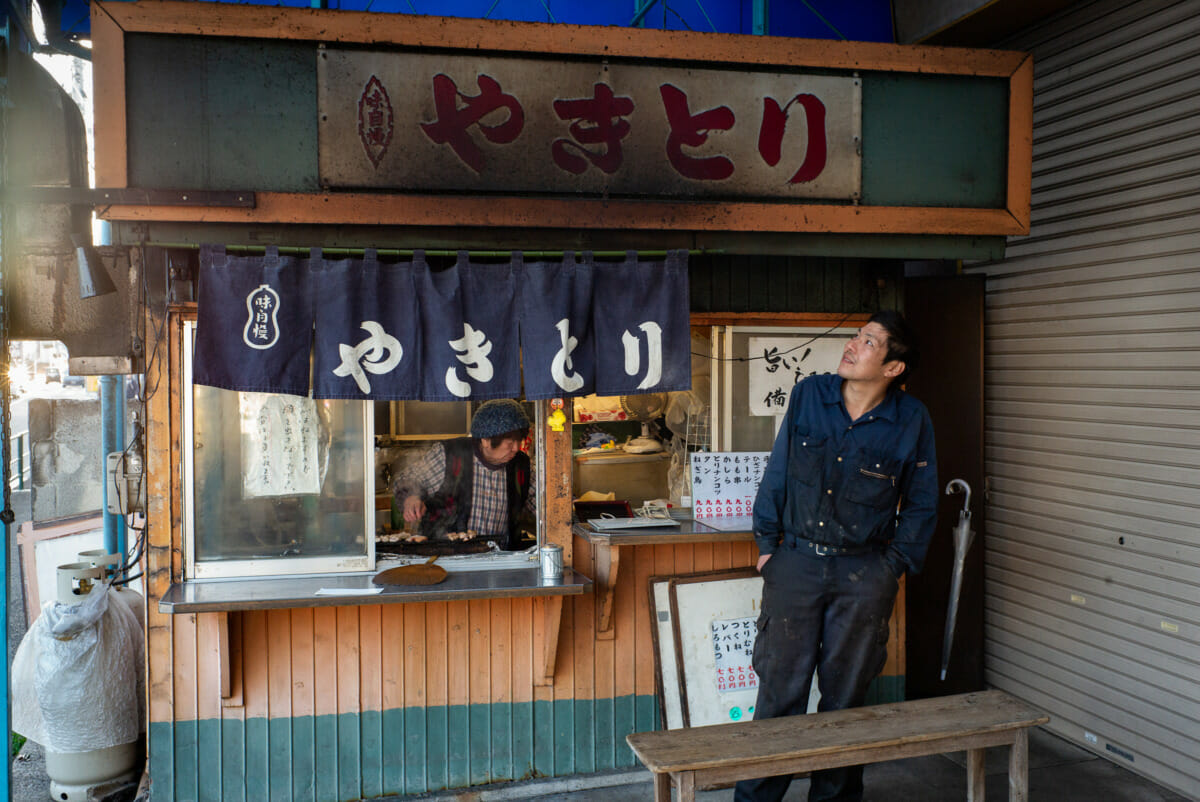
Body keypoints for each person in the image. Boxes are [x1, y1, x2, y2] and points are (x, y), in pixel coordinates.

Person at [735, 310, 938, 802]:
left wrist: (892, 568)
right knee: (779, 695)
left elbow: (922, 502)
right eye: (857, 336)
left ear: (893, 367)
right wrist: (768, 550)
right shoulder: (810, 394)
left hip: (864, 573)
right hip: (796, 565)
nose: (852, 345)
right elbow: (777, 471)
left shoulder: (911, 420)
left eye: (868, 341)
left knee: (845, 702)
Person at [392, 399, 534, 549]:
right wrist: (411, 497)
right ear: (486, 440)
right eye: (510, 443)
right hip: (444, 555)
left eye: (519, 441)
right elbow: (407, 479)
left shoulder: (521, 465)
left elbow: (543, 503)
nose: (516, 448)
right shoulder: (450, 454)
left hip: (500, 558)